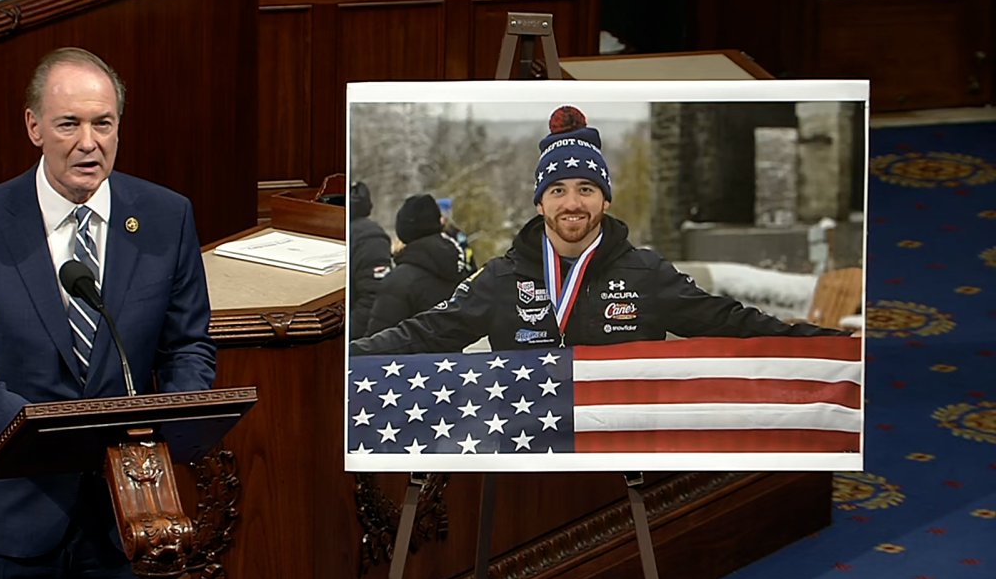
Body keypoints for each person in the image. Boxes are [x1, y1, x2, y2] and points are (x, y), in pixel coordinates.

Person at [0, 47, 216, 579]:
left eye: (103, 123)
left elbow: (189, 346)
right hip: (8, 510)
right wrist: (35, 435)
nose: (90, 143)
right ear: (34, 128)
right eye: (69, 124)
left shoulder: (165, 217)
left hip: (122, 518)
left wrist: (159, 435)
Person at [350, 105, 844, 355]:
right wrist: (347, 359)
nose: (573, 203)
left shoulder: (646, 272)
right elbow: (425, 333)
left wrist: (825, 345)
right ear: (540, 201)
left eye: (586, 189)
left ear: (605, 198)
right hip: (534, 455)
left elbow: (730, 322)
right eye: (558, 190)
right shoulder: (501, 278)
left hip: (622, 453)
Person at [365, 193, 469, 334]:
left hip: (406, 354)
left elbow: (377, 340)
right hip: (450, 355)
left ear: (404, 229)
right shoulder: (457, 264)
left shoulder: (400, 281)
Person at [348, 180, 392, 339]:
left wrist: (350, 336)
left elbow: (375, 297)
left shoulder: (369, 237)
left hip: (355, 340)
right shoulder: (325, 225)